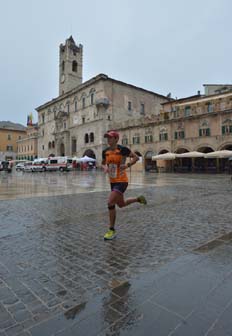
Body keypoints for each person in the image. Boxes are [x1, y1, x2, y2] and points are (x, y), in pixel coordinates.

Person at [102, 130, 147, 240]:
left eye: (110, 138)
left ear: (116, 139)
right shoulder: (105, 151)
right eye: (107, 138)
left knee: (110, 202)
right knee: (121, 204)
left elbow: (136, 158)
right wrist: (105, 168)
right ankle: (138, 199)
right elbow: (103, 163)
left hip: (122, 181)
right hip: (112, 182)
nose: (108, 140)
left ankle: (111, 230)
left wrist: (127, 165)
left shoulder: (123, 149)